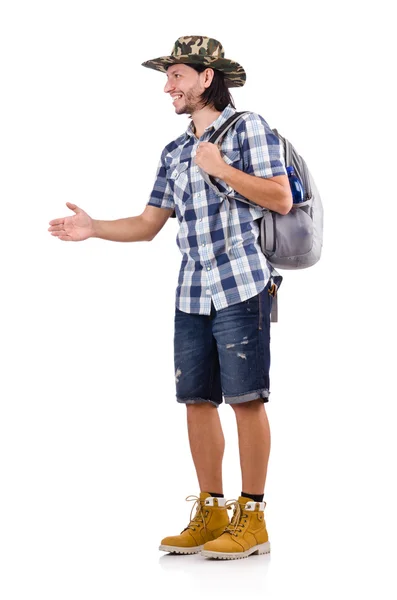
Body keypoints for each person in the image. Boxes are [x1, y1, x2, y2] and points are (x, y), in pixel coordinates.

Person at [48, 35, 292, 560]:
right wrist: (92, 228)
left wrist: (221, 167)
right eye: (168, 77)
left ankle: (253, 519)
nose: (167, 87)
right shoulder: (176, 151)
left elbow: (281, 197)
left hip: (242, 283)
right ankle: (211, 511)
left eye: (176, 76)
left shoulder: (249, 128)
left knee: (246, 399)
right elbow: (147, 224)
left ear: (207, 78)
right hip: (191, 291)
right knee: (197, 401)